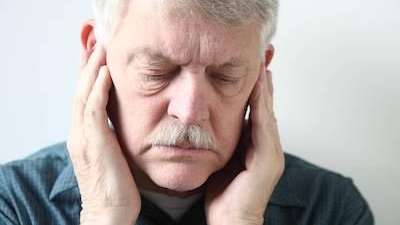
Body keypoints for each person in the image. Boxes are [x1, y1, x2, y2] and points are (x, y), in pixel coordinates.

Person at [0, 1, 374, 225]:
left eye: (225, 75)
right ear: (97, 54)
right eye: (156, 72)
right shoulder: (15, 203)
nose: (190, 111)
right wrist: (104, 215)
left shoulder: (330, 209)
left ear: (262, 69)